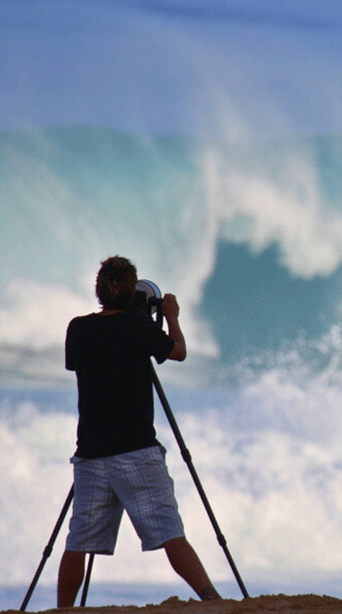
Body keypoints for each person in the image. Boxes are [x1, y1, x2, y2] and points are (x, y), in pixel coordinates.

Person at [57, 256, 220, 607]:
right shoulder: (137, 328)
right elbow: (178, 352)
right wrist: (171, 318)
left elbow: (81, 362)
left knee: (78, 542)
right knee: (170, 533)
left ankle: (63, 609)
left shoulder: (78, 329)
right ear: (131, 292)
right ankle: (211, 599)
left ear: (99, 290)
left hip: (91, 452)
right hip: (135, 452)